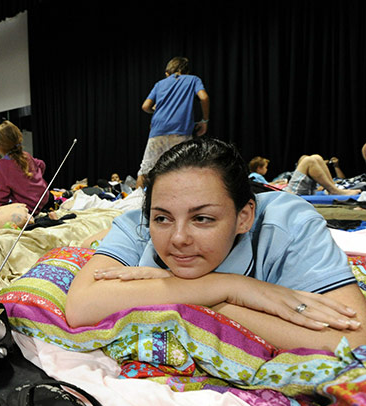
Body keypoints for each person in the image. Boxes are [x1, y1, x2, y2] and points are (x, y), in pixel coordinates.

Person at [65, 137, 365, 352]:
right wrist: (233, 289)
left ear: (244, 217)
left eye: (203, 219)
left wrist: (212, 303)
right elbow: (81, 307)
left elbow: (355, 341)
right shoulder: (137, 225)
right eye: (163, 219)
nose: (179, 238)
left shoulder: (288, 224)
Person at [136, 57, 209, 188]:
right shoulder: (193, 79)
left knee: (145, 171)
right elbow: (204, 97)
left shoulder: (159, 84)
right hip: (180, 132)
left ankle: (135, 203)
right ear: (186, 71)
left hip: (157, 132)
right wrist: (204, 120)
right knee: (183, 169)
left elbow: (145, 106)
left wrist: (158, 111)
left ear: (167, 73)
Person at [0, 120, 52, 212]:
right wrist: (35, 180)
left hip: (29, 208)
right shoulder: (26, 155)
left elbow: (1, 196)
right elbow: (41, 164)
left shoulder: (2, 166)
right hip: (45, 199)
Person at [284, 154, 361, 196]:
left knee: (317, 157)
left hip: (305, 190)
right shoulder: (285, 175)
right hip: (292, 193)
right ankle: (333, 190)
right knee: (309, 160)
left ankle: (333, 188)